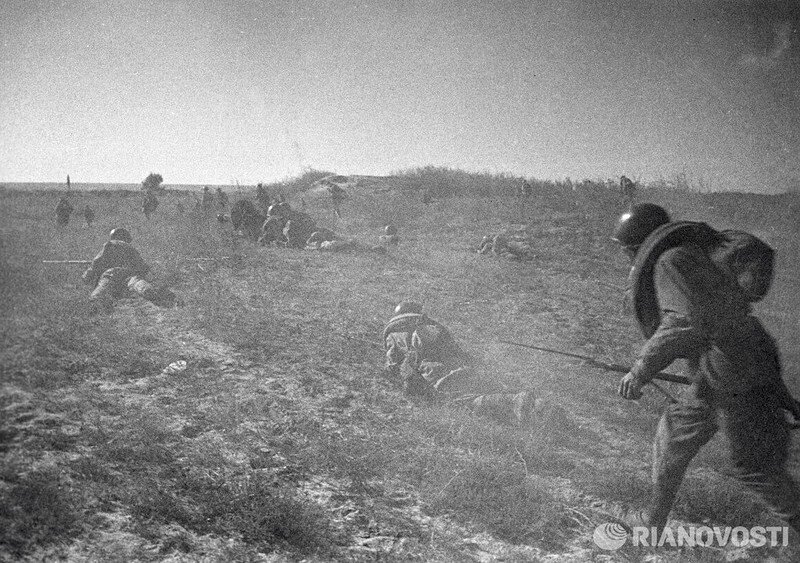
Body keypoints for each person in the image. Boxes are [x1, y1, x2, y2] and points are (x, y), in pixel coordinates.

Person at [612, 203, 800, 534]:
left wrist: (638, 371)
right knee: (672, 434)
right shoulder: (694, 254)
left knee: (754, 468)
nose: (627, 257)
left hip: (729, 379)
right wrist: (781, 394)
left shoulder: (671, 261)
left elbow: (684, 322)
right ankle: (653, 522)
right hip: (724, 374)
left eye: (626, 249)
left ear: (637, 244)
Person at [383, 302, 536, 426]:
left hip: (438, 376)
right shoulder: (433, 328)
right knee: (482, 390)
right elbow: (456, 351)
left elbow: (394, 365)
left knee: (461, 403)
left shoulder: (395, 334)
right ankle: (527, 402)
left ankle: (516, 402)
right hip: (463, 369)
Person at [82, 228, 180, 313]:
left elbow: (96, 263)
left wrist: (87, 276)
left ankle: (93, 305)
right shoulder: (130, 248)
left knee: (100, 292)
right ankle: (162, 296)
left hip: (110, 274)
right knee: (141, 286)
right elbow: (142, 266)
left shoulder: (110, 245)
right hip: (128, 275)